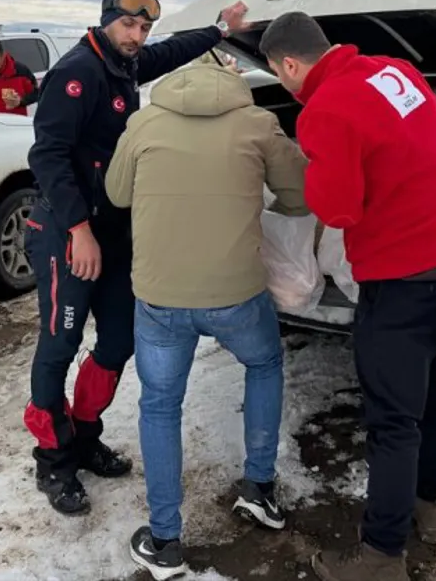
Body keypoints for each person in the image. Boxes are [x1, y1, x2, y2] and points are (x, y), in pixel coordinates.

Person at [258, 12, 436, 581]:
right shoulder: (395, 70)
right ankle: (431, 505)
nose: (285, 85)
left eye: (279, 75)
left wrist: (307, 171)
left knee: (393, 418)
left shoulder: (325, 111)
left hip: (404, 280)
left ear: (289, 63)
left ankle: (382, 556)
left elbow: (337, 209)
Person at [24, 0, 250, 516]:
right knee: (60, 344)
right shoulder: (78, 72)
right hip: (66, 233)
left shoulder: (121, 65)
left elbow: (169, 54)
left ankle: (82, 434)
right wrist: (78, 229)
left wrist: (219, 30)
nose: (138, 35)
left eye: (145, 27)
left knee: (120, 338)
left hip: (112, 232)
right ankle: (53, 458)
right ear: (107, 19)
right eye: (129, 25)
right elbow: (48, 155)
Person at [105, 60, 309, 579]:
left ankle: (166, 541)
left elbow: (117, 194)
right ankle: (259, 490)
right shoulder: (258, 123)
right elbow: (299, 196)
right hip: (236, 294)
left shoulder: (146, 123)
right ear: (235, 84)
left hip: (159, 298)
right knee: (263, 364)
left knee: (159, 405)